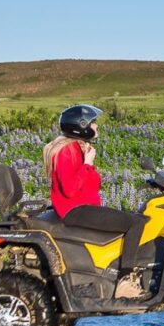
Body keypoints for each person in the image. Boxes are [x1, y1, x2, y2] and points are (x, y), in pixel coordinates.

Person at [43, 104, 150, 300]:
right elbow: (70, 188)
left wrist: (87, 162)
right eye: (93, 123)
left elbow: (90, 184)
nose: (97, 127)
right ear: (81, 126)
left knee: (134, 218)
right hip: (76, 210)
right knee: (136, 223)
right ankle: (125, 282)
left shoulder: (77, 148)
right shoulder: (67, 151)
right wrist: (87, 164)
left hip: (82, 207)